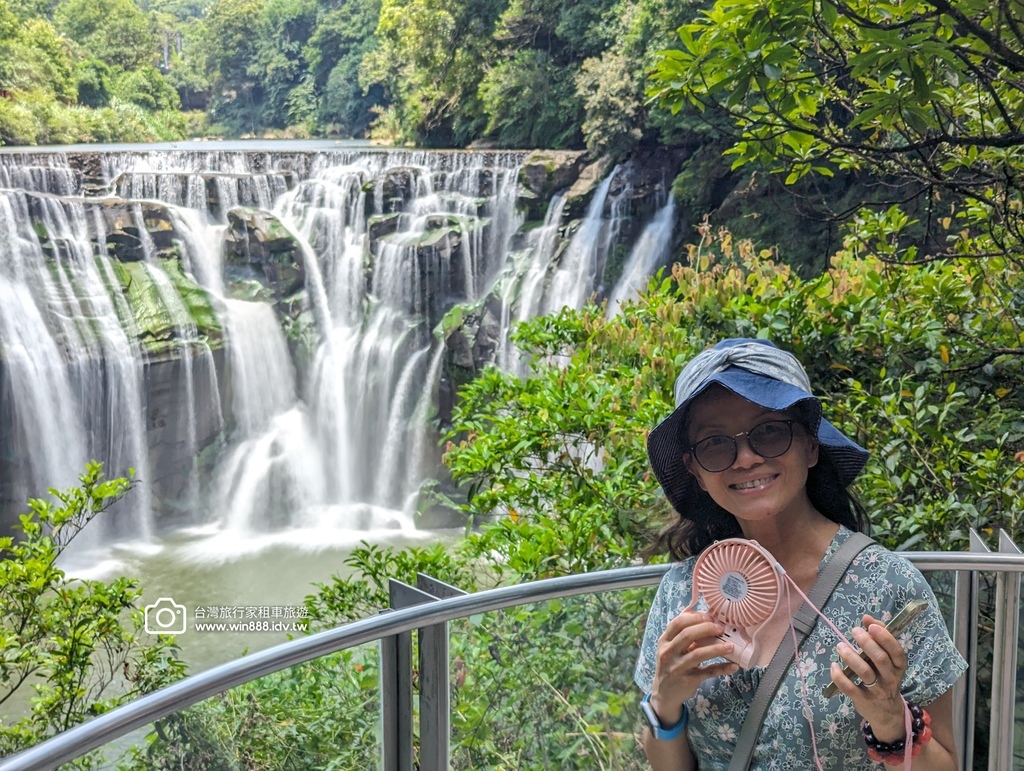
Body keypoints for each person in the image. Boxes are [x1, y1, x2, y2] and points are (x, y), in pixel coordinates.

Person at [634, 338, 967, 770]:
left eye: (769, 432)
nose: (747, 458)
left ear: (810, 446)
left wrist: (889, 720)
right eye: (716, 443)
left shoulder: (887, 587)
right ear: (696, 471)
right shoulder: (683, 591)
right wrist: (664, 701)